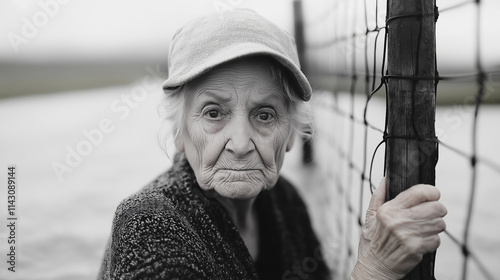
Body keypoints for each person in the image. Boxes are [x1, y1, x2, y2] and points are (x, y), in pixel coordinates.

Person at [98, 8, 447, 280]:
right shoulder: (148, 224)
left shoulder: (286, 200)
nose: (239, 144)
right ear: (179, 132)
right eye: (213, 113)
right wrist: (374, 271)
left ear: (293, 132)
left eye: (264, 115)